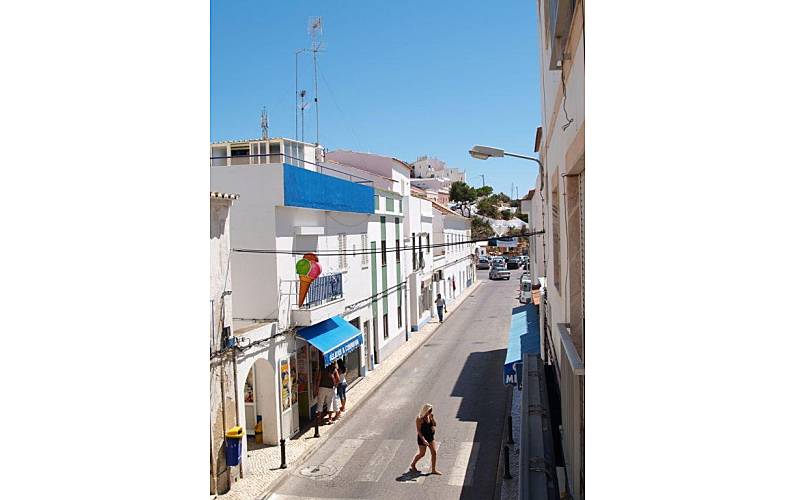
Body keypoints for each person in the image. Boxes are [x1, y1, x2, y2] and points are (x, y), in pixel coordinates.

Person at [410, 403, 441, 475]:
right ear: (425, 410)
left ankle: (433, 470)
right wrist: (424, 440)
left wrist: (432, 418)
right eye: (429, 411)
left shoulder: (430, 416)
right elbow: (419, 431)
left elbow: (435, 424)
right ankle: (413, 464)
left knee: (434, 452)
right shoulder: (419, 418)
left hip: (430, 437)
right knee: (422, 454)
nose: (430, 412)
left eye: (431, 411)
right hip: (422, 438)